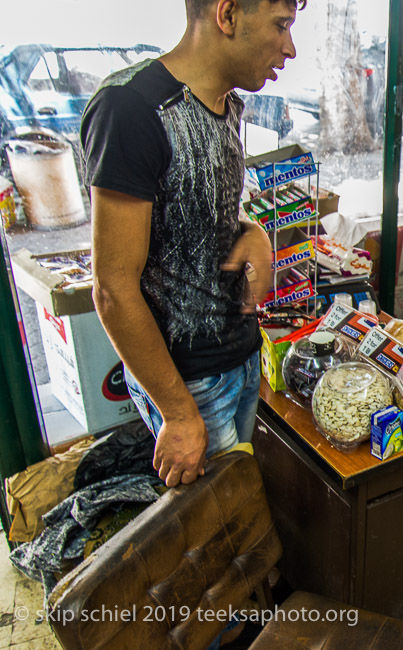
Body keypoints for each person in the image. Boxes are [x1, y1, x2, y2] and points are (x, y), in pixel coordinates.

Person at [81, 0, 304, 489]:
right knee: (213, 535)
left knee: (241, 507)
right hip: (190, 384)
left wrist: (253, 233)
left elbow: (199, 211)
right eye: (281, 25)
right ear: (227, 15)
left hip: (240, 356)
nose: (290, 48)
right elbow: (112, 287)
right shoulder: (132, 109)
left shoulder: (228, 105)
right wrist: (179, 415)